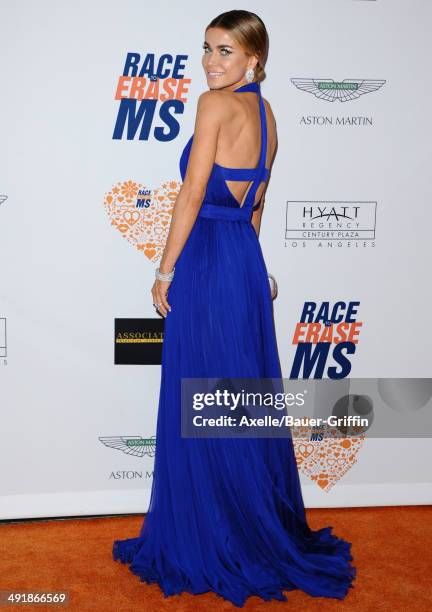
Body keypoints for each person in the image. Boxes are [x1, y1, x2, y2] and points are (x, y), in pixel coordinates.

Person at [113, 10, 356, 608]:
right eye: (206, 50)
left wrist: (165, 269)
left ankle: (209, 537)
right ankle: (252, 528)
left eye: (225, 52)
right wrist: (255, 266)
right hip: (241, 262)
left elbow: (193, 193)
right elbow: (257, 203)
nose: (211, 63)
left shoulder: (213, 104)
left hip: (204, 261)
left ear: (254, 60)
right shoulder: (268, 116)